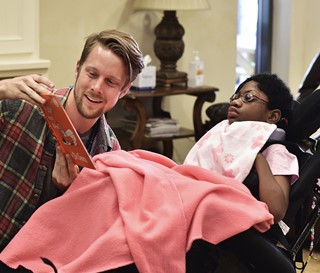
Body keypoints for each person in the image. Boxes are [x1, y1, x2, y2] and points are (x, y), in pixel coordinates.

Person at [0, 29, 144, 251]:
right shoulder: (21, 105)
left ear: (123, 91)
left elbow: (88, 239)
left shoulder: (110, 155)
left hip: (41, 260)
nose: (96, 87)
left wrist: (70, 194)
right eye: (92, 74)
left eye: (110, 82)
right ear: (78, 68)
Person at [184, 73, 299, 224]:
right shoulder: (222, 134)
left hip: (223, 217)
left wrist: (257, 157)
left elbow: (276, 211)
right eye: (235, 96)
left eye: (248, 97)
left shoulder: (275, 151)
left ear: (272, 116)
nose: (236, 102)